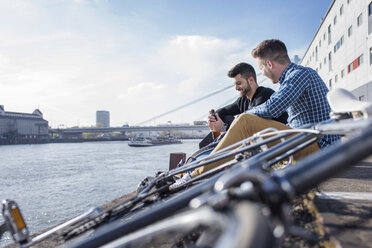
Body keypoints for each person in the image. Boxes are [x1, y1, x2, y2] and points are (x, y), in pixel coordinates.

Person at [171, 39, 340, 188]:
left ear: (269, 64)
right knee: (249, 129)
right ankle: (209, 171)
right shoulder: (296, 77)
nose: (263, 74)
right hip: (310, 142)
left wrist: (239, 119)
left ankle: (194, 174)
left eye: (261, 69)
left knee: (246, 121)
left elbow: (271, 108)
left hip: (321, 148)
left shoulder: (299, 75)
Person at [198, 62, 288, 148]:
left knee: (238, 120)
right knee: (226, 117)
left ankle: (213, 157)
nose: (236, 88)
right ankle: (209, 154)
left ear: (251, 80)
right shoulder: (243, 100)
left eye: (239, 83)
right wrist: (213, 119)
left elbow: (249, 126)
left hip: (278, 142)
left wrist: (223, 127)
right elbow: (223, 111)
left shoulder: (264, 95)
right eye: (235, 84)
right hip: (257, 142)